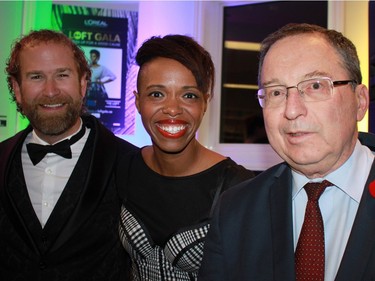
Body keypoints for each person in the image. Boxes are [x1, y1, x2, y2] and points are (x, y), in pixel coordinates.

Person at [198, 23, 375, 281]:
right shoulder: (234, 211)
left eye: (315, 86)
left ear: (360, 102)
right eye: (276, 92)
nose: (292, 110)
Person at [0, 29, 138, 280]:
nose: (51, 91)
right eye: (36, 77)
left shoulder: (130, 162)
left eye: (62, 75)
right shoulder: (0, 159)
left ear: (83, 84)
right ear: (17, 88)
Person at [117, 34, 254, 280]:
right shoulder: (124, 167)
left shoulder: (237, 186)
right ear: (137, 102)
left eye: (188, 95)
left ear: (205, 103)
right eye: (156, 94)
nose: (172, 109)